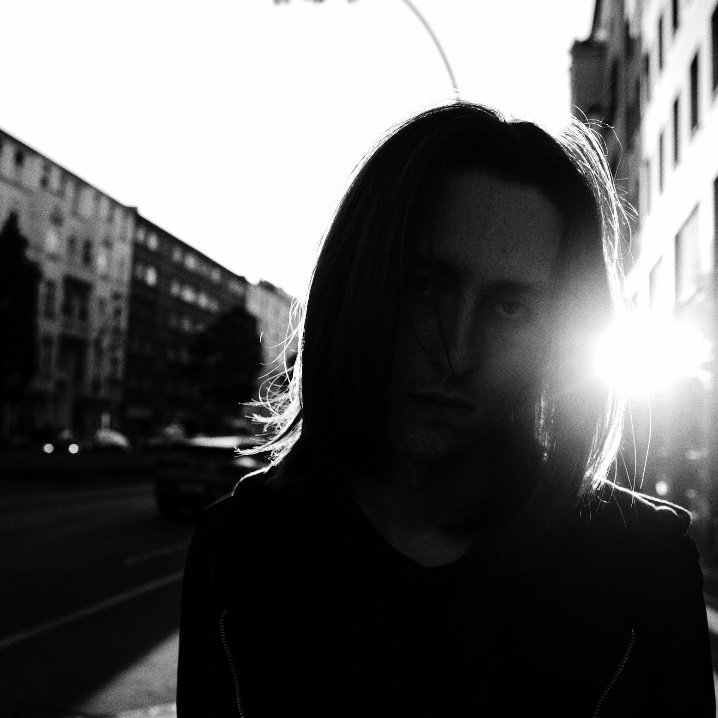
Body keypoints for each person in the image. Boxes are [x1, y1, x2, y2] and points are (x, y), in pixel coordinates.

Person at [176, 103, 715, 717]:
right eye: (423, 286)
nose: (457, 353)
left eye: (508, 307)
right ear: (357, 283)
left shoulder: (644, 569)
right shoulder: (238, 553)